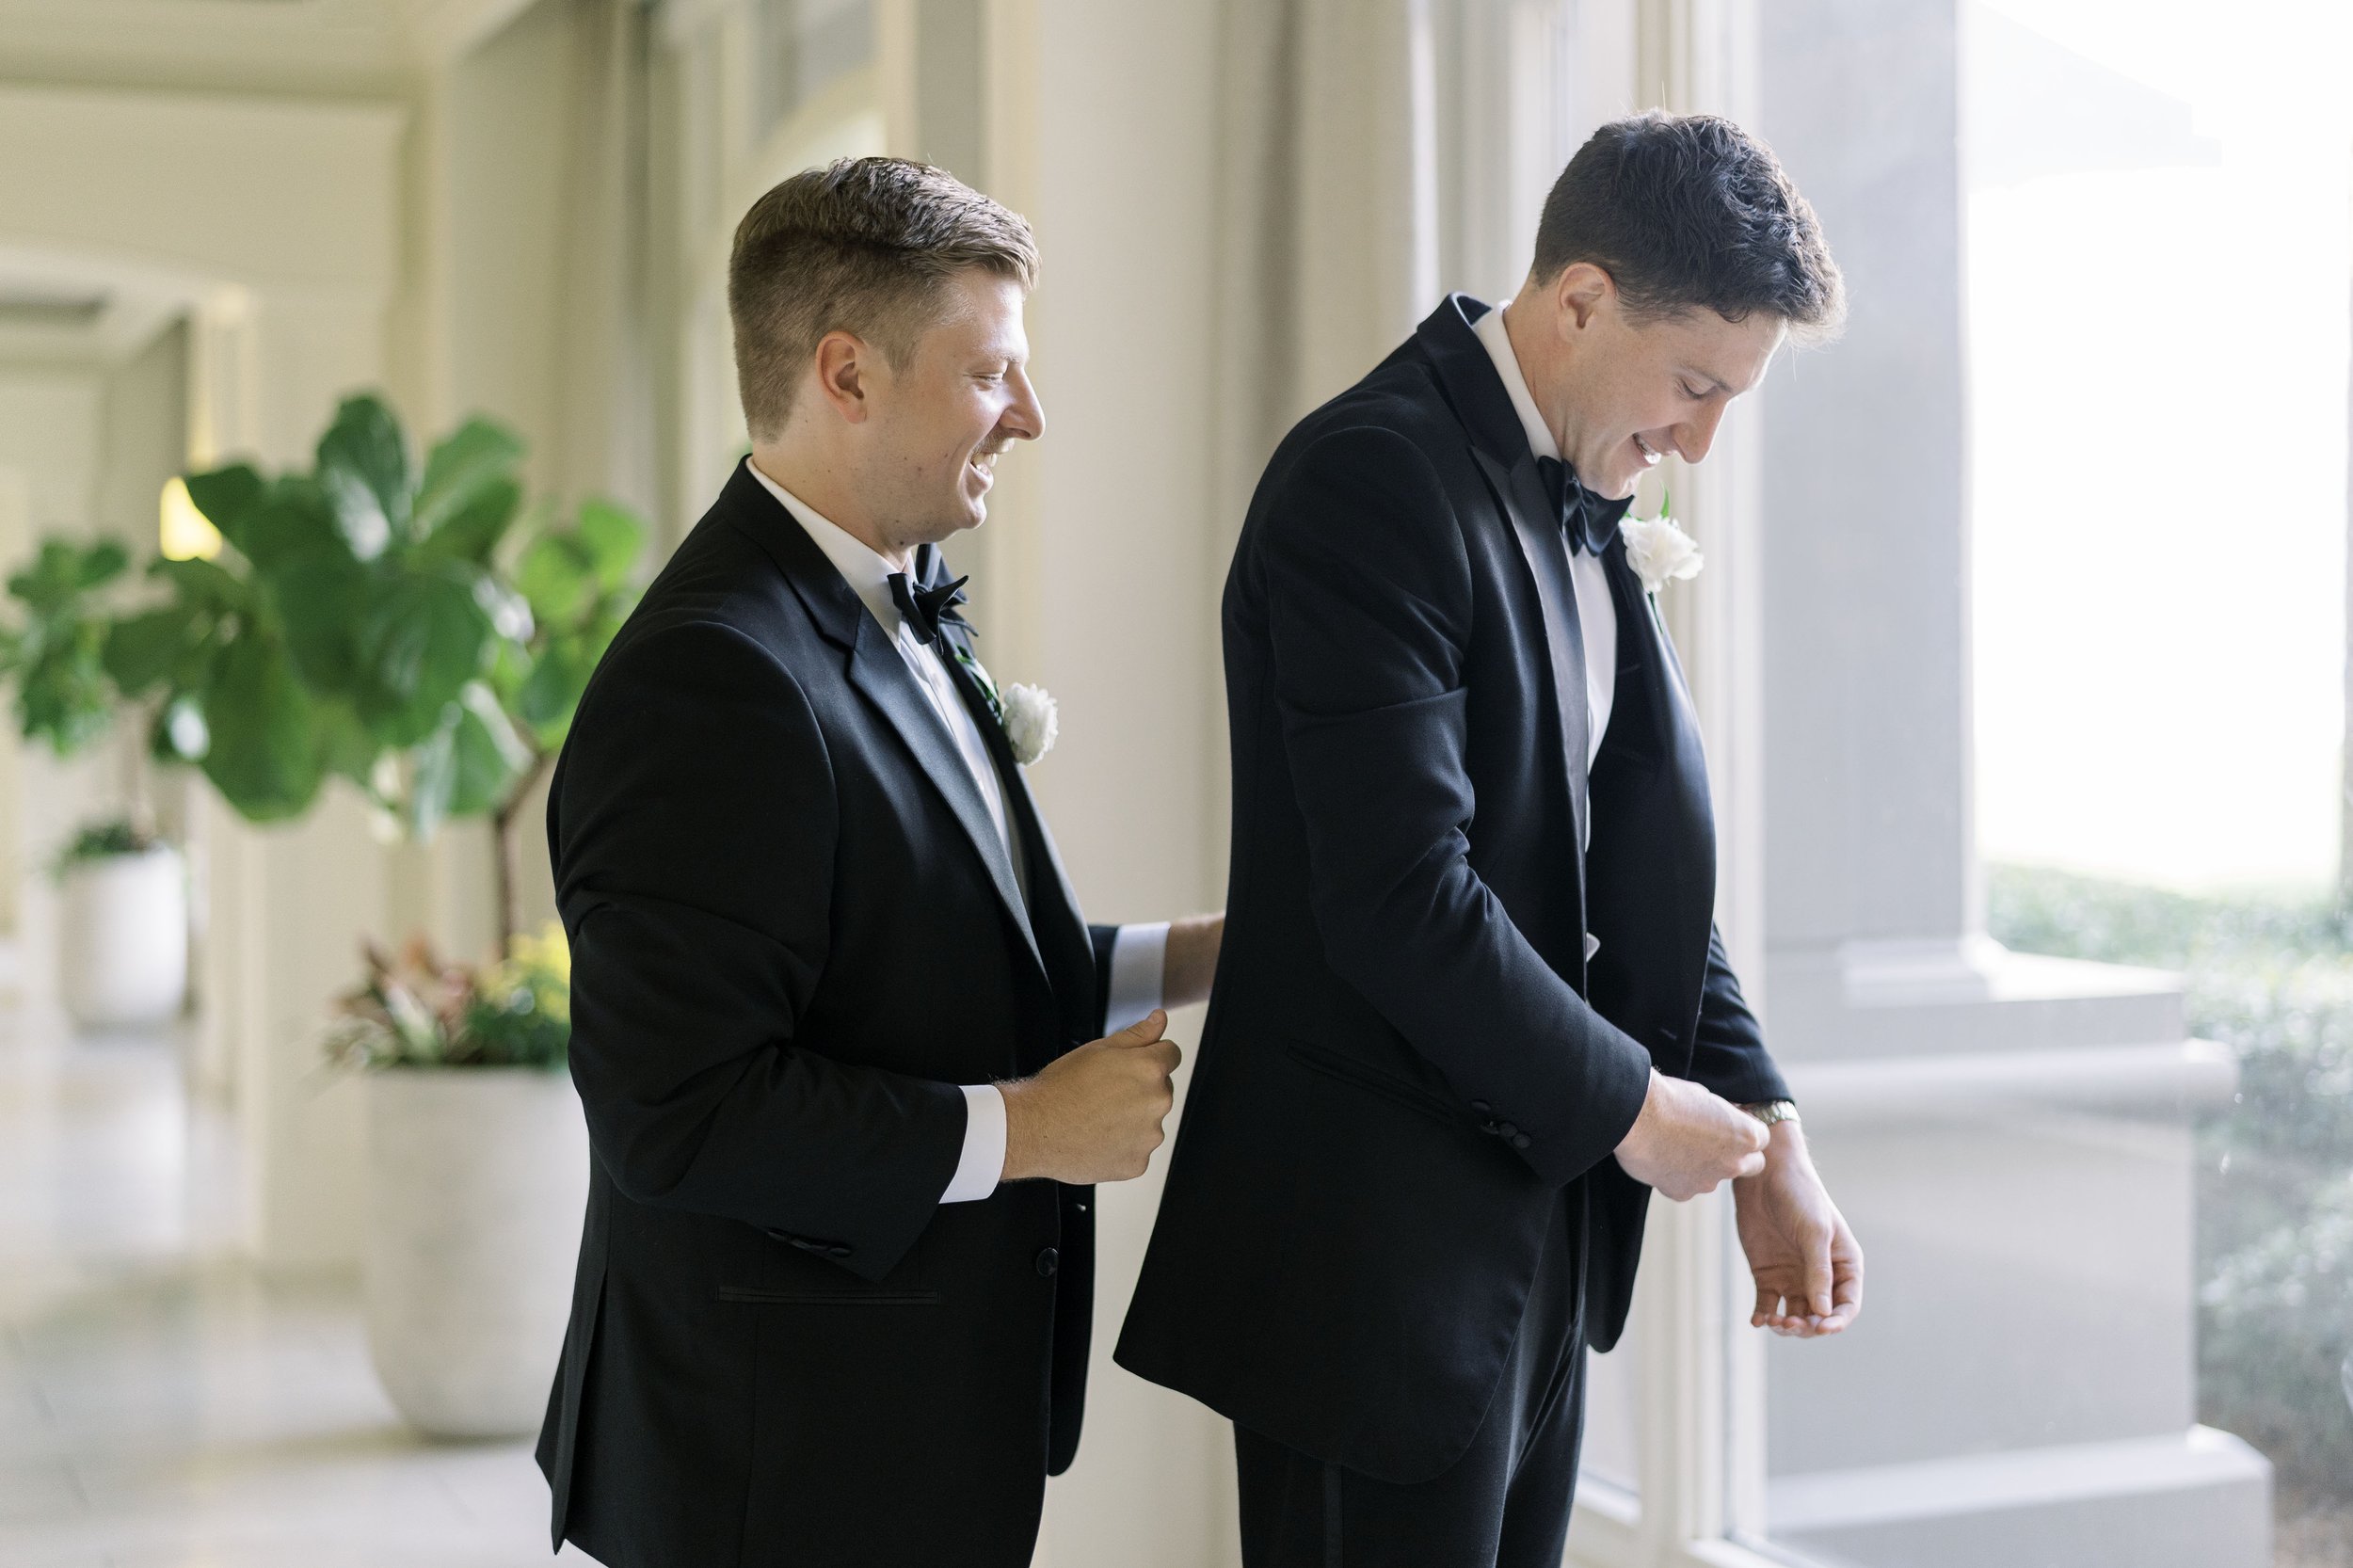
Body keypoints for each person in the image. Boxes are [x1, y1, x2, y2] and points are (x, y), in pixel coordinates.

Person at [1116, 111, 1864, 1567]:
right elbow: (1403, 897)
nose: (1701, 441)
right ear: (1580, 299)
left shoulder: (1592, 487)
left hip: (1537, 1249)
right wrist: (1644, 1115)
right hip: (1364, 1275)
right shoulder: (1368, 483)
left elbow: (1628, 881)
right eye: (1694, 384)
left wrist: (1768, 1123)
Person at [534, 155, 1222, 1568]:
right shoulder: (712, 678)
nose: (1030, 414)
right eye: (990, 374)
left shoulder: (882, 600)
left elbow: (941, 968)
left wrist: (1216, 951)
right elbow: (682, 1112)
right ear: (845, 373)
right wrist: (1033, 1127)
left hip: (903, 1425)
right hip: (778, 1461)